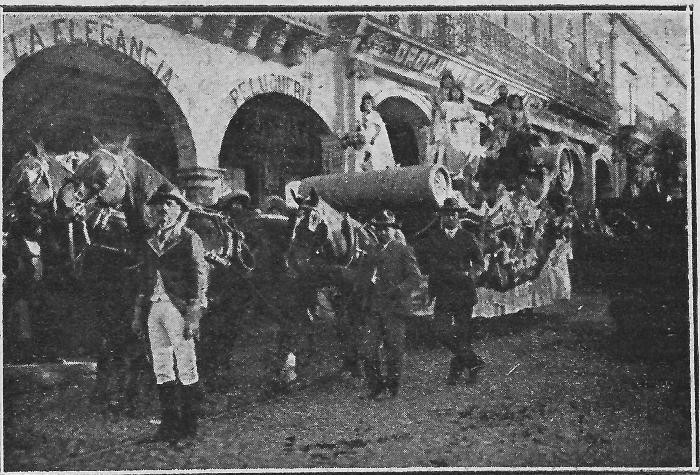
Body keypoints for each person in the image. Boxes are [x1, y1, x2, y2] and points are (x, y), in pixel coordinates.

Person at [131, 184, 208, 443]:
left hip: (178, 306)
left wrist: (194, 314)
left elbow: (199, 276)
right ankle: (168, 424)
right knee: (162, 366)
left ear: (180, 210)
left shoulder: (189, 238)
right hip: (154, 307)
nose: (164, 209)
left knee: (186, 364)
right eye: (161, 204)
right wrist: (138, 313)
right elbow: (144, 278)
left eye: (171, 204)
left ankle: (189, 425)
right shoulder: (149, 240)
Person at [417, 197, 485, 386]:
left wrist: (469, 275)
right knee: (440, 331)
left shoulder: (467, 237)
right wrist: (430, 294)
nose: (451, 217)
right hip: (443, 291)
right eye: (447, 214)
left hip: (463, 292)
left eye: (454, 214)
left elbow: (480, 264)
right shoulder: (434, 238)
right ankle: (474, 362)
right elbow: (429, 268)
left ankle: (458, 374)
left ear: (459, 216)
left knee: (462, 335)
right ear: (441, 216)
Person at [360, 209, 422, 399]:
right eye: (378, 229)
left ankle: (393, 386)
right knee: (368, 350)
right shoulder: (372, 251)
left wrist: (398, 290)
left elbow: (415, 277)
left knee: (394, 350)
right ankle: (376, 386)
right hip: (374, 308)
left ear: (393, 230)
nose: (381, 232)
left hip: (395, 309)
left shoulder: (403, 250)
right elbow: (364, 275)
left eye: (386, 228)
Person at [443, 85, 480, 176]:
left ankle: (465, 171)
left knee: (468, 149)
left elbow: (472, 117)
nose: (456, 94)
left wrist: (470, 119)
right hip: (455, 128)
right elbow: (448, 118)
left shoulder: (465, 105)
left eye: (458, 91)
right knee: (456, 148)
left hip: (466, 130)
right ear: (450, 93)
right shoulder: (448, 104)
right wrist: (461, 119)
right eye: (453, 92)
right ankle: (455, 171)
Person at [356, 93, 396, 171]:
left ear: (372, 104)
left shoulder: (375, 114)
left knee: (376, 152)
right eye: (365, 104)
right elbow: (363, 126)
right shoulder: (363, 115)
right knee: (365, 151)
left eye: (369, 103)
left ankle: (379, 168)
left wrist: (373, 138)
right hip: (368, 134)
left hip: (376, 136)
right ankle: (366, 167)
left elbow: (378, 128)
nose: (367, 105)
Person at [429, 71, 456, 164]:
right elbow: (434, 104)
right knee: (439, 138)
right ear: (442, 81)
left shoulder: (453, 94)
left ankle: (443, 162)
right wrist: (440, 109)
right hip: (439, 117)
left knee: (447, 140)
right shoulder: (437, 92)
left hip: (449, 118)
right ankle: (436, 161)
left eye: (449, 81)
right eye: (446, 81)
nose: (448, 83)